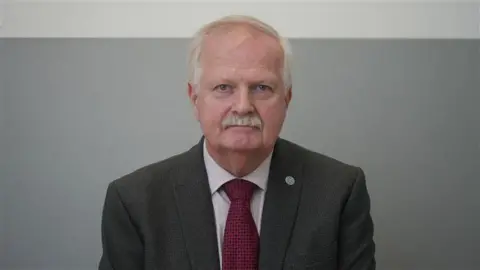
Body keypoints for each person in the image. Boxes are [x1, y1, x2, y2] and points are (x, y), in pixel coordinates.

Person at [98, 15, 376, 270]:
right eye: (224, 88)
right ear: (194, 99)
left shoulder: (338, 192)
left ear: (286, 99)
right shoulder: (134, 202)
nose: (243, 106)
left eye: (261, 88)